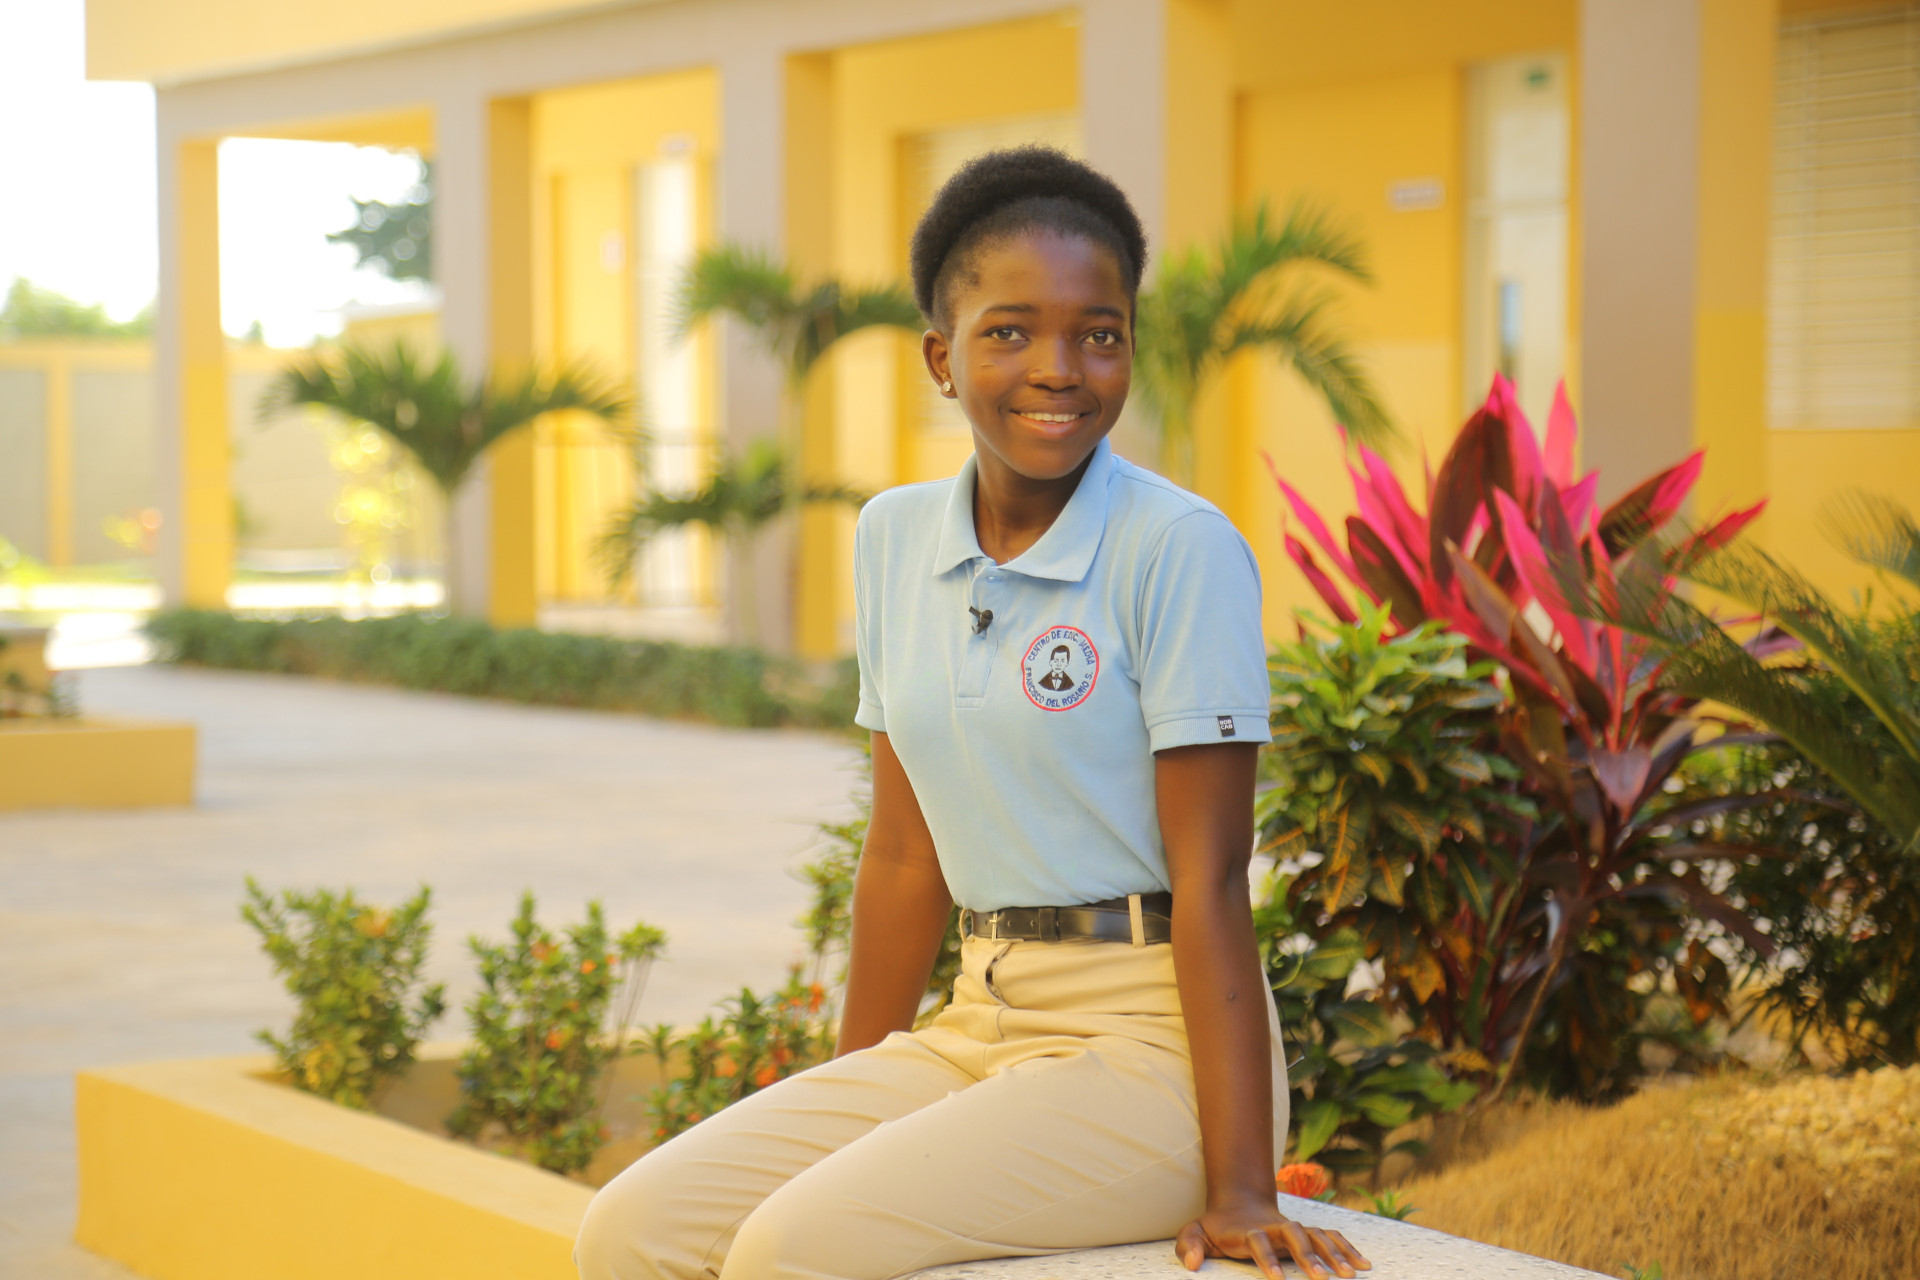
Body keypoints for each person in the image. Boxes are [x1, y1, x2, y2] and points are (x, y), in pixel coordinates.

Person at [575, 146, 1370, 1280]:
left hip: (1148, 1054)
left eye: (1099, 334)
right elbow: (905, 855)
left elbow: (1212, 881)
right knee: (631, 1230)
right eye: (1009, 332)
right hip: (975, 1021)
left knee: (791, 1251)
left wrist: (1242, 1186)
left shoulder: (1178, 548)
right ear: (942, 358)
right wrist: (849, 1095)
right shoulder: (893, 537)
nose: (1060, 369)